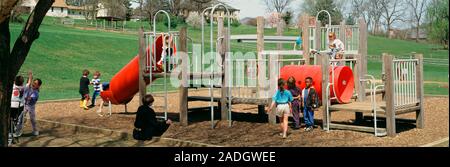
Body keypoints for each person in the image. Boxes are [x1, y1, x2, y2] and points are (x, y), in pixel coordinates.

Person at [15, 71, 42, 137]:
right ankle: (17, 131)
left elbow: (28, 99)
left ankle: (35, 131)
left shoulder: (36, 93)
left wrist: (24, 95)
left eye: (35, 83)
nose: (34, 84)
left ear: (38, 86)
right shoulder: (29, 87)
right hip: (24, 105)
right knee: (20, 118)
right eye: (33, 82)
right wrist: (30, 78)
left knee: (32, 119)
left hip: (31, 107)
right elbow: (28, 83)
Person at [9, 75, 26, 144]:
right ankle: (15, 135)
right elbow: (29, 83)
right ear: (22, 83)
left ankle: (10, 135)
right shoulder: (24, 87)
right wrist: (30, 76)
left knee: (10, 120)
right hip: (19, 107)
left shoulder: (12, 86)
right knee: (19, 121)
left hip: (11, 106)